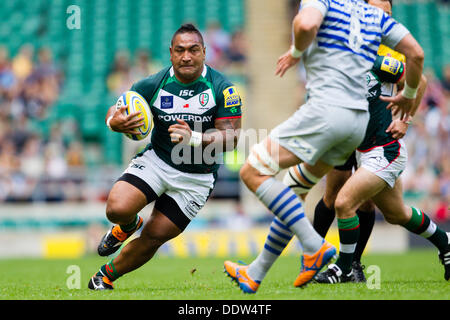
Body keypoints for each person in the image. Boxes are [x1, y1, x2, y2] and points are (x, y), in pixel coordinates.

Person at [224, 0, 424, 293]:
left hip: (327, 112)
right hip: (356, 124)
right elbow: (416, 54)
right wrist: (407, 96)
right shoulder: (370, 14)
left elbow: (305, 24)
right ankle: (255, 272)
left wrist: (295, 51)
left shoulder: (324, 1)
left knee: (252, 171)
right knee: (295, 185)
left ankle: (314, 246)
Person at [88, 23, 243, 290]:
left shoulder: (223, 89)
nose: (186, 56)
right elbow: (118, 107)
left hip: (197, 178)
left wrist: (194, 138)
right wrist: (113, 122)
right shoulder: (153, 83)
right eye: (180, 50)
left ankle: (105, 276)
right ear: (171, 53)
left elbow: (231, 137)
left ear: (204, 52)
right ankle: (126, 225)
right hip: (158, 162)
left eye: (194, 50)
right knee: (117, 208)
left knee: (153, 236)